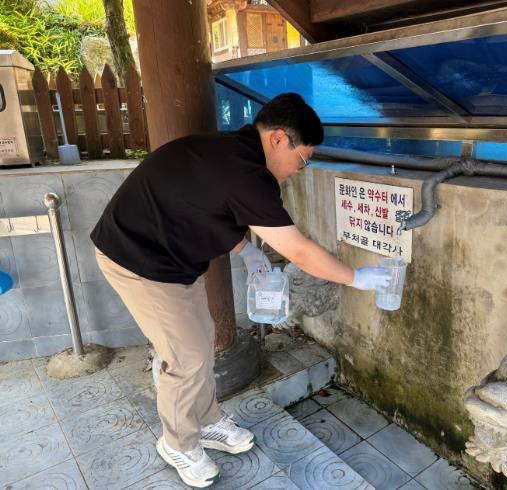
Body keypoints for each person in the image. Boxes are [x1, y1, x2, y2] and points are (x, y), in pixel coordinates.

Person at [91, 92, 391, 488]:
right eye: (303, 160)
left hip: (170, 258)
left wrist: (245, 248)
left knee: (202, 340)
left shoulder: (234, 151)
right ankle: (178, 442)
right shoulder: (246, 174)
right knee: (186, 356)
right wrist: (356, 277)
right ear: (279, 139)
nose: (300, 170)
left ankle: (207, 420)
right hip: (137, 258)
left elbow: (206, 205)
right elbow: (300, 251)